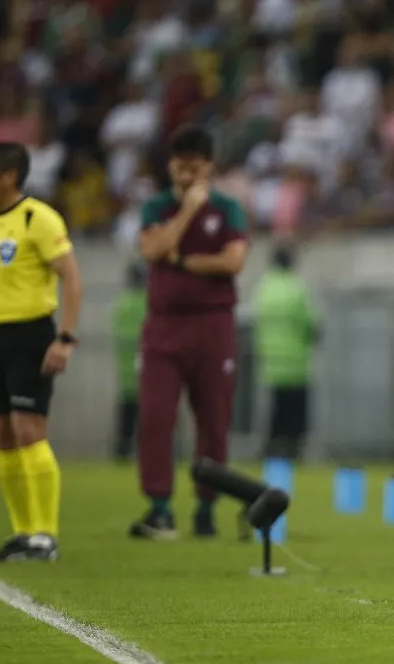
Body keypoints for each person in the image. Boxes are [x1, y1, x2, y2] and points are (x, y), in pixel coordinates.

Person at [0, 141, 83, 562]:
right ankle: (23, 533)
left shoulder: (38, 219)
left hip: (31, 338)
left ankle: (47, 535)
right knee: (4, 436)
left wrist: (64, 339)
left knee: (29, 430)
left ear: (9, 176)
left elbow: (72, 278)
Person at [132, 125, 249, 539]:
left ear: (209, 167)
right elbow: (151, 251)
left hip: (214, 326)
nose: (187, 177)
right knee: (155, 415)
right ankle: (160, 506)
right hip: (164, 325)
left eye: (195, 168)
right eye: (180, 168)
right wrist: (186, 212)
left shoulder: (228, 208)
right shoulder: (157, 208)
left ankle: (206, 506)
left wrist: (181, 261)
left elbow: (233, 262)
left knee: (214, 418)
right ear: (169, 167)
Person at [252, 244, 319, 460]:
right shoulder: (295, 287)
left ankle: (272, 446)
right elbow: (309, 321)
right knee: (296, 408)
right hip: (295, 359)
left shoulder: (264, 288)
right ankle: (293, 448)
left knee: (275, 408)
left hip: (270, 360)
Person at [111, 261, 147, 460]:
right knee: (149, 418)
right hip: (147, 370)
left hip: (126, 372)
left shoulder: (122, 303)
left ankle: (122, 453)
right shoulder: (147, 301)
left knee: (126, 418)